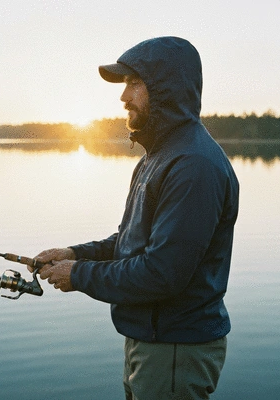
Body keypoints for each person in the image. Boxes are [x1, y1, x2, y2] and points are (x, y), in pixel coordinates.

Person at [31, 36, 239, 399]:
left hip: (175, 349)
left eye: (134, 83)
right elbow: (130, 243)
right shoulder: (157, 158)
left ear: (165, 89)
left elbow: (162, 272)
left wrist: (78, 276)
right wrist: (75, 254)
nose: (123, 96)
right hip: (151, 342)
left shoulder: (193, 165)